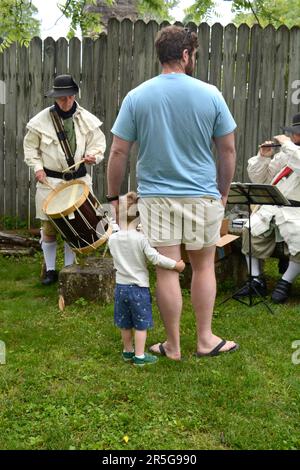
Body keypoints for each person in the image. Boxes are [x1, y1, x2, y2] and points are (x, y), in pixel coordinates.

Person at [106, 26, 238, 360]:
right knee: (203, 266)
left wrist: (112, 196)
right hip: (202, 196)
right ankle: (205, 340)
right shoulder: (211, 94)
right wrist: (221, 194)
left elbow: (118, 152)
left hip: (156, 199)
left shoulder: (137, 96)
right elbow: (228, 150)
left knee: (167, 268)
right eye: (192, 54)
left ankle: (173, 346)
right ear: (185, 54)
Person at [24, 74, 106, 285]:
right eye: (61, 98)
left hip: (78, 182)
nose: (66, 101)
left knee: (74, 227)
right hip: (50, 182)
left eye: (69, 97)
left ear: (74, 95)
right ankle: (50, 270)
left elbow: (98, 144)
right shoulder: (40, 121)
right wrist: (38, 168)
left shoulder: (86, 119)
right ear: (55, 97)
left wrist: (93, 156)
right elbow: (30, 148)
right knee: (49, 229)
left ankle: (69, 268)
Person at [108, 191, 185, 366]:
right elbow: (156, 258)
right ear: (139, 217)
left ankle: (127, 351)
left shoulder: (112, 239)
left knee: (125, 323)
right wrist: (176, 265)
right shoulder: (142, 239)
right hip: (138, 288)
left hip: (120, 287)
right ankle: (140, 357)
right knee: (140, 325)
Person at [238, 113, 300, 303]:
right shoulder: (286, 154)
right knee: (250, 230)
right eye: (292, 134)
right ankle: (256, 280)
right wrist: (263, 158)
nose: (292, 137)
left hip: (297, 212)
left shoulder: (292, 152)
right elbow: (261, 179)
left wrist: (288, 146)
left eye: (296, 134)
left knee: (299, 239)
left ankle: (285, 282)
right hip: (273, 208)